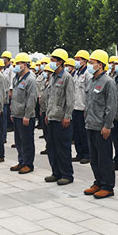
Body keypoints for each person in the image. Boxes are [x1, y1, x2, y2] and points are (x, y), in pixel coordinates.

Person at [83, 50, 118, 199]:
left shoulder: (108, 82)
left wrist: (107, 126)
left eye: (92, 62)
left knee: (104, 158)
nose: (89, 65)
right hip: (90, 124)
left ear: (100, 64)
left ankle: (107, 186)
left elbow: (111, 106)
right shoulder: (92, 80)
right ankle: (98, 182)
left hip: (101, 127)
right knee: (94, 158)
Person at [45, 48, 76, 184]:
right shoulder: (52, 77)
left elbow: (70, 99)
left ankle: (67, 175)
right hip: (52, 117)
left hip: (61, 118)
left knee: (63, 148)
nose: (51, 62)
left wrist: (67, 116)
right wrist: (47, 113)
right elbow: (50, 98)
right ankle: (56, 172)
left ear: (60, 62)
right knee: (52, 147)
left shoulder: (67, 78)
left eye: (53, 60)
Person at [10, 52, 38, 173]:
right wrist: (12, 112)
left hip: (26, 116)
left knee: (27, 141)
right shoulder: (16, 78)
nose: (16, 66)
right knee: (19, 140)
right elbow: (14, 96)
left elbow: (32, 99)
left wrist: (27, 115)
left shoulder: (30, 79)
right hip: (17, 114)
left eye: (18, 63)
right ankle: (21, 161)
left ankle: (28, 164)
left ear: (25, 64)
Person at [72, 50, 92, 164]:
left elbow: (89, 93)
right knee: (77, 133)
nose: (76, 61)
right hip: (75, 107)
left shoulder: (88, 74)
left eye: (78, 59)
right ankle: (79, 153)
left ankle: (87, 154)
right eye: (75, 59)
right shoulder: (76, 73)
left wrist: (87, 108)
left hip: (83, 108)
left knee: (84, 133)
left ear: (84, 61)